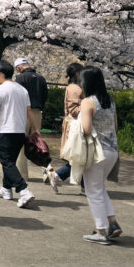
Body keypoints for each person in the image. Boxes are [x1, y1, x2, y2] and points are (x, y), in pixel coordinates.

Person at [0, 60, 38, 208]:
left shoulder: (1, 89)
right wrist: (35, 128)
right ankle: (6, 189)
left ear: (1, 74)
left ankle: (23, 190)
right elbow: (29, 110)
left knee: (6, 161)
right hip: (20, 131)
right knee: (9, 160)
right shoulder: (22, 90)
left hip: (7, 130)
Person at [77, 66, 122, 244]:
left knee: (93, 192)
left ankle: (100, 231)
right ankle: (112, 224)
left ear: (87, 82)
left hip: (96, 153)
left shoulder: (88, 101)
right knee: (99, 189)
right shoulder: (110, 101)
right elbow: (115, 126)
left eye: (81, 80)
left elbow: (86, 129)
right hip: (112, 151)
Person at [47, 62, 84, 192]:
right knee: (79, 156)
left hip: (77, 125)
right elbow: (73, 109)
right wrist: (90, 105)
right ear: (77, 73)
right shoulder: (74, 88)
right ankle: (56, 175)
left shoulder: (76, 87)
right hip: (75, 126)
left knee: (81, 156)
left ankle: (85, 186)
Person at [14, 57, 48, 180]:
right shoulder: (41, 78)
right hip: (37, 112)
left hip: (23, 112)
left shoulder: (20, 78)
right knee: (38, 143)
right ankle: (48, 171)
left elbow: (17, 96)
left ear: (19, 67)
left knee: (20, 143)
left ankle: (22, 175)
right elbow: (45, 95)